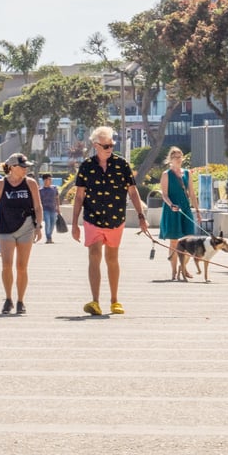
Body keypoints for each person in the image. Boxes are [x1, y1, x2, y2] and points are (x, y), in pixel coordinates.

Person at [71, 126, 150, 316]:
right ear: (96, 145)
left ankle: (114, 300)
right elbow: (79, 196)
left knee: (112, 259)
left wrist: (141, 216)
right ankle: (95, 301)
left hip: (115, 218)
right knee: (94, 255)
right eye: (106, 145)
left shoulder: (121, 164)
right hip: (92, 217)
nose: (110, 148)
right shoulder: (87, 166)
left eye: (112, 145)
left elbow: (132, 191)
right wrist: (74, 224)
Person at [0, 154, 44, 314]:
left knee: (22, 266)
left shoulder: (30, 183)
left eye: (26, 167)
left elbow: (38, 207)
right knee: (6, 265)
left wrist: (39, 226)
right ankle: (8, 298)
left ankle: (20, 300)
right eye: (22, 166)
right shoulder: (0, 184)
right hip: (5, 228)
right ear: (12, 167)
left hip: (26, 227)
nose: (25, 169)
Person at [159, 146, 201, 280]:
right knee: (174, 242)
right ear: (170, 159)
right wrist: (171, 205)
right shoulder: (166, 174)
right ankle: (173, 272)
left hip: (185, 209)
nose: (179, 159)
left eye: (180, 156)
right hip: (172, 210)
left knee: (189, 242)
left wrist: (197, 211)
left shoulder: (187, 173)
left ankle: (183, 268)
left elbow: (192, 194)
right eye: (176, 157)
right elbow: (164, 195)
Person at [38, 173, 59, 243]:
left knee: (52, 224)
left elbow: (57, 198)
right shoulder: (40, 190)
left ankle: (49, 235)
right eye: (49, 179)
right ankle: (48, 238)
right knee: (48, 223)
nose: (50, 181)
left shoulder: (54, 188)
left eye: (51, 179)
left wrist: (58, 208)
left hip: (53, 209)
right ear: (44, 180)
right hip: (45, 209)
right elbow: (39, 201)